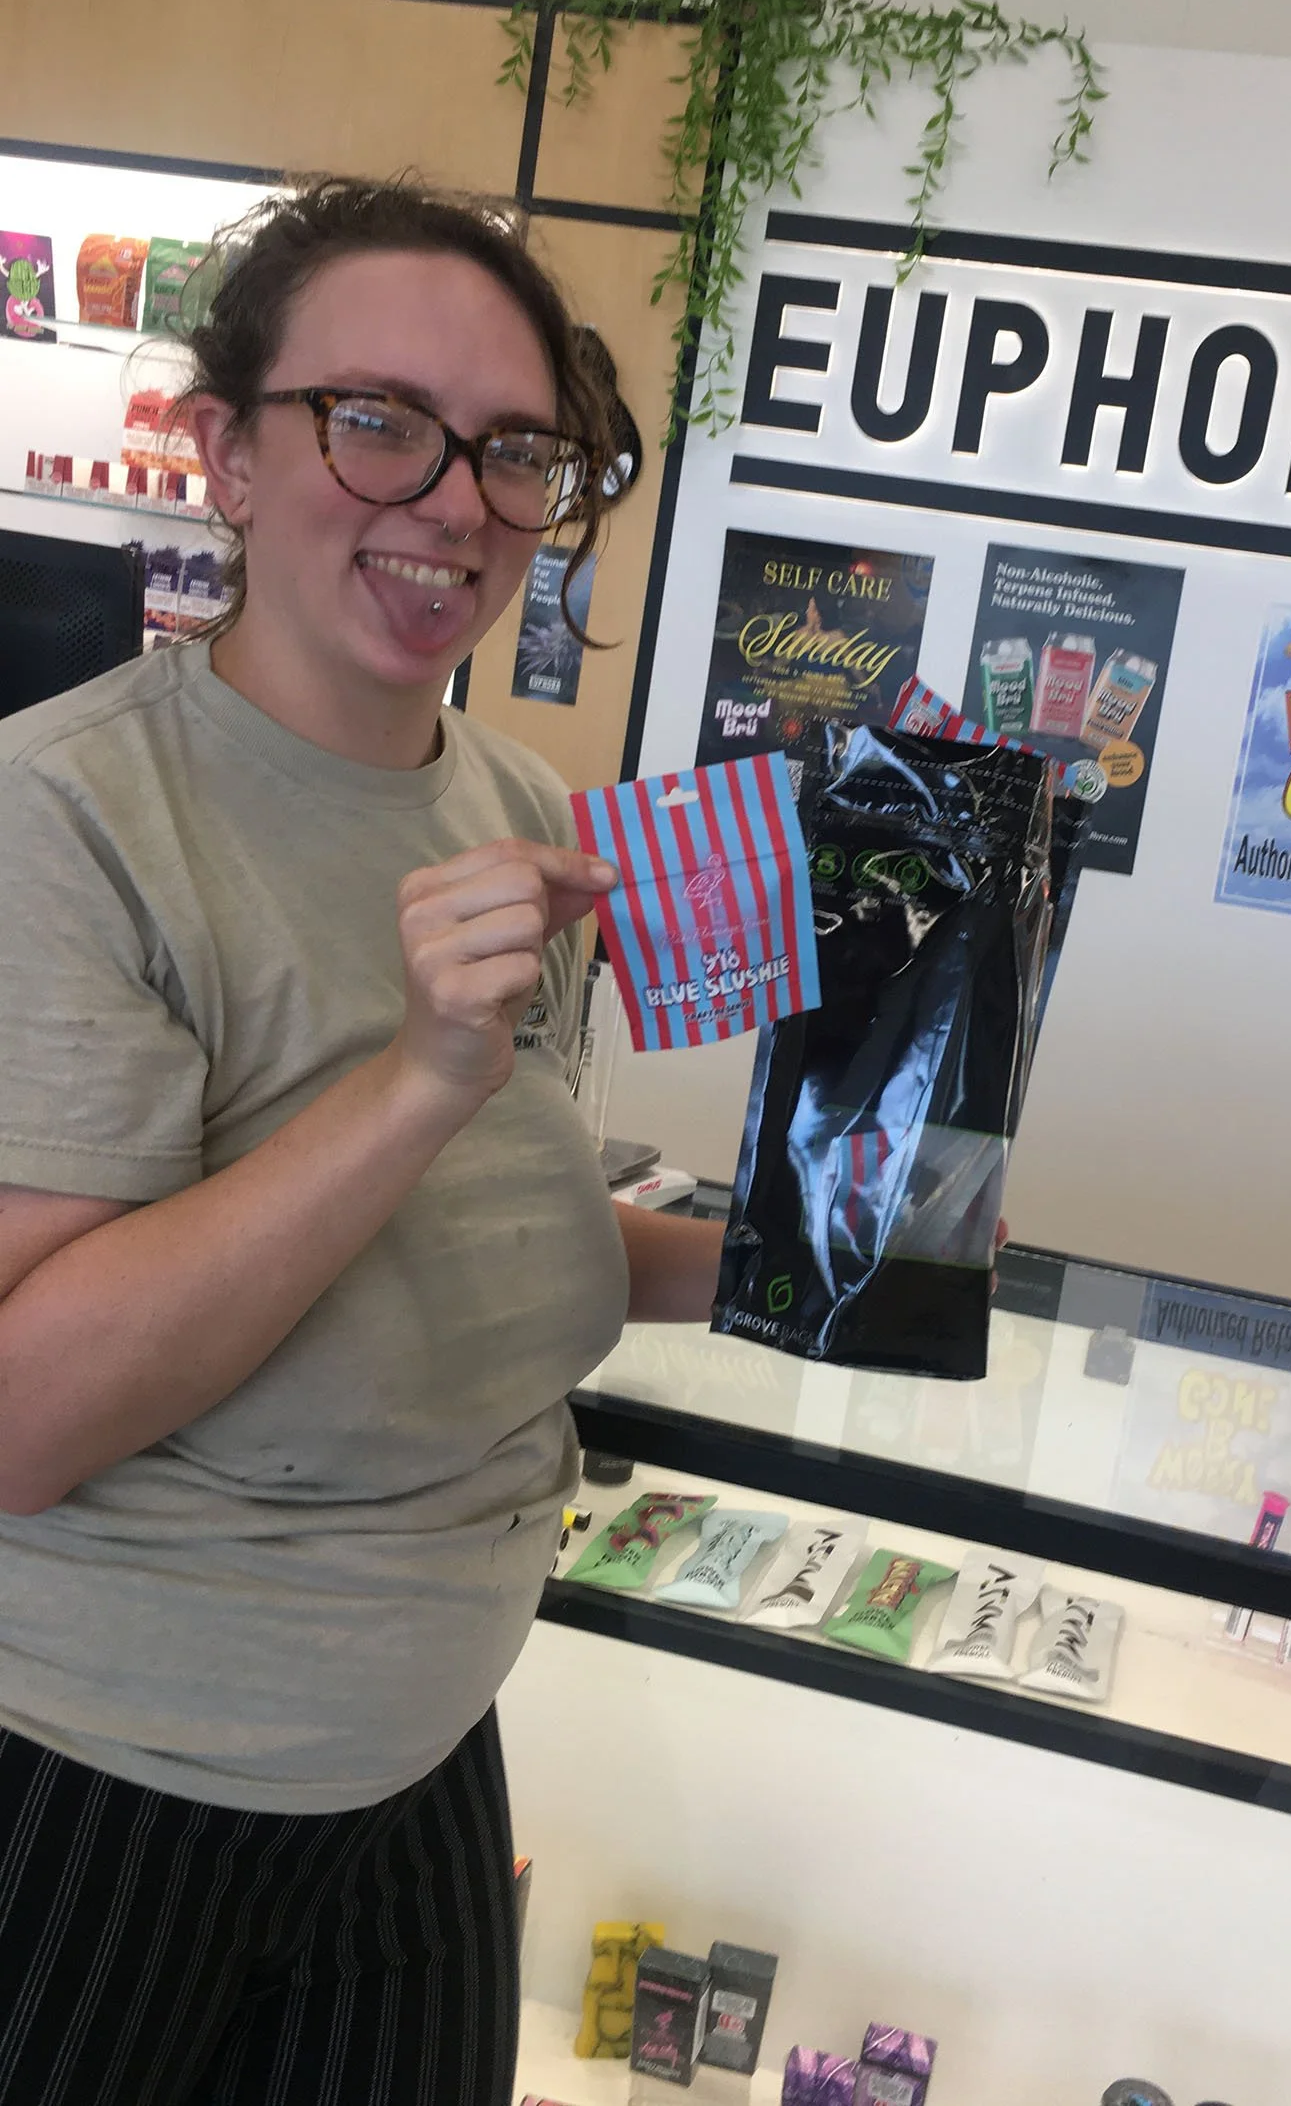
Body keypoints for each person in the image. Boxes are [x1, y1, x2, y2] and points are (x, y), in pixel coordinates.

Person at [0, 177, 723, 2105]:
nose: (457, 502)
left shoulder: (515, 802)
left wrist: (799, 1263)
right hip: (101, 1776)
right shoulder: (63, 820)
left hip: (422, 1762)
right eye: (379, 421)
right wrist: (414, 1077)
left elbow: (491, 1225)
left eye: (516, 451)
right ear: (227, 453)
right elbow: (25, 1420)